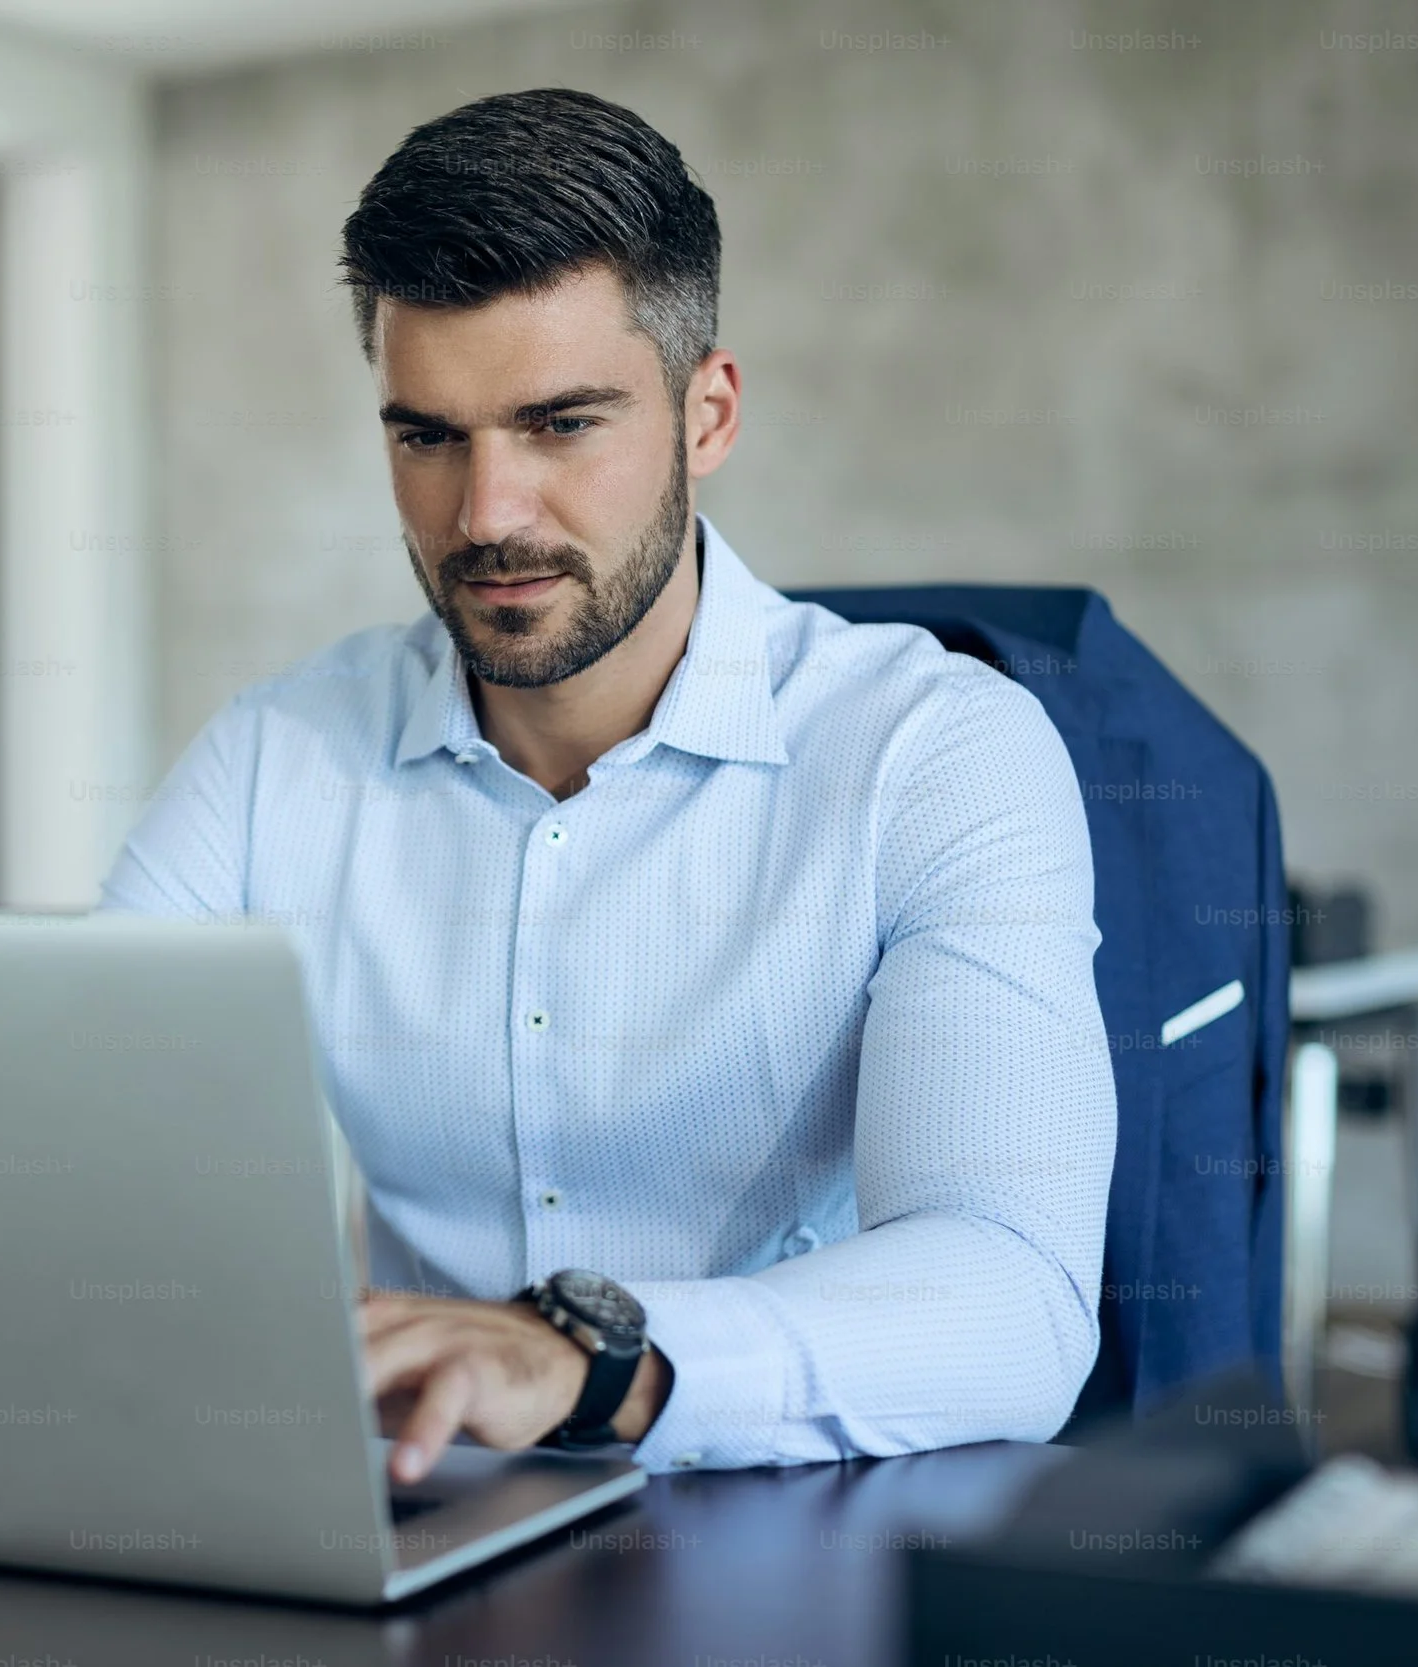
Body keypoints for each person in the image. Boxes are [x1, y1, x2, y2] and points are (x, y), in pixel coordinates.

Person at [101, 88, 1114, 1478]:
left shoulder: (934, 752)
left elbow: (1015, 1297)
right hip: (422, 1504)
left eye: (561, 424)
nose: (486, 514)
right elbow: (72, 1154)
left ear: (709, 413)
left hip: (801, 1518)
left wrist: (590, 1358)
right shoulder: (277, 756)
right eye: (427, 435)